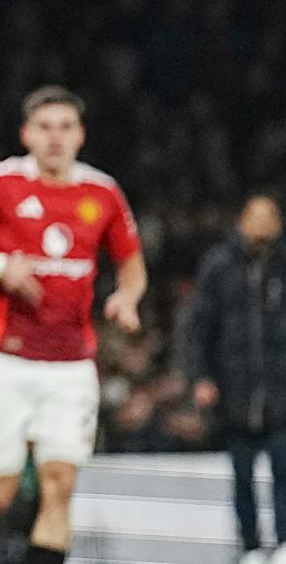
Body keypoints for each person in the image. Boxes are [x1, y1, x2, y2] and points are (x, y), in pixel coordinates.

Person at [0, 86, 146, 564]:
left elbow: (131, 262)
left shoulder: (102, 192)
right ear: (27, 134)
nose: (55, 138)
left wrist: (127, 298)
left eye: (65, 127)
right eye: (45, 127)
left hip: (71, 362)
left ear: (80, 135)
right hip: (6, 357)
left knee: (59, 485)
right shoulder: (0, 183)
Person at [188, 194, 286, 564]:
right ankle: (249, 546)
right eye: (255, 216)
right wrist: (201, 376)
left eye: (269, 217)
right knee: (242, 475)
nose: (261, 224)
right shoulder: (219, 265)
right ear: (241, 221)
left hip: (280, 389)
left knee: (284, 471)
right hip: (236, 389)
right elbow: (201, 326)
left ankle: (282, 544)